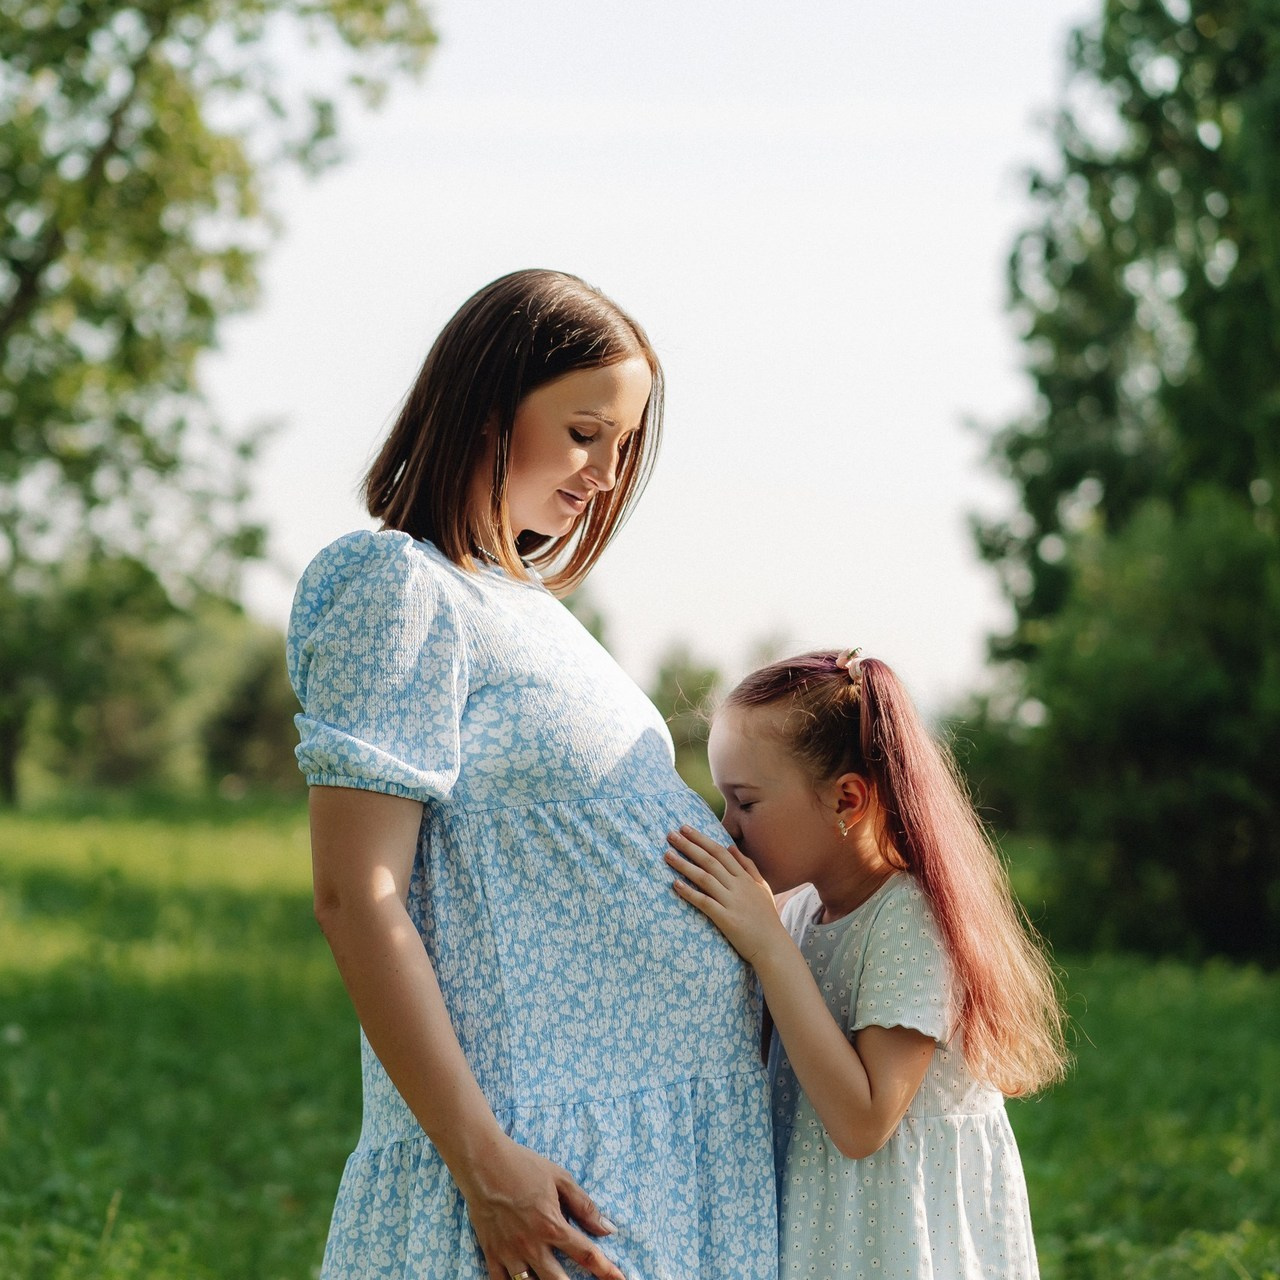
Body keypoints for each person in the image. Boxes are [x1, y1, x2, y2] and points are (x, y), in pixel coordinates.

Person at [286, 270, 776, 1280]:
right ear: (486, 406)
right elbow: (355, 891)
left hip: (660, 1151)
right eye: (585, 430)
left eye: (624, 444)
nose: (604, 471)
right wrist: (482, 1159)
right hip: (530, 1159)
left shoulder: (525, 606)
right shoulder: (401, 588)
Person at [664, 649, 1068, 1280]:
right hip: (830, 1238)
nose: (727, 828)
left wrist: (768, 946)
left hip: (902, 1245)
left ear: (846, 799)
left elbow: (864, 1122)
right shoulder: (800, 914)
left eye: (745, 802)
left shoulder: (907, 920)